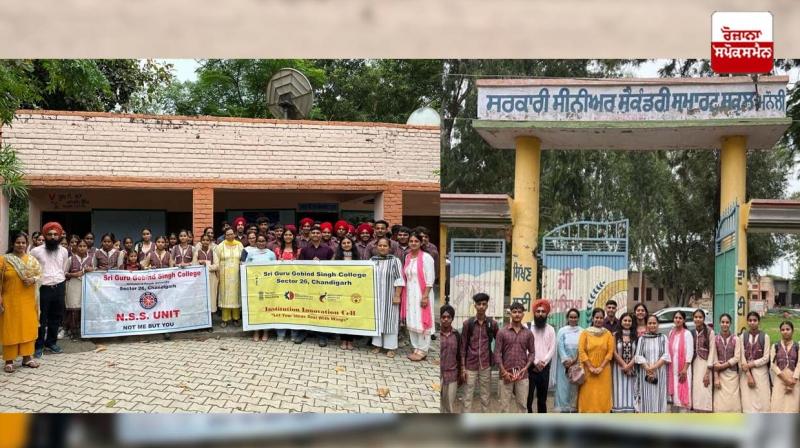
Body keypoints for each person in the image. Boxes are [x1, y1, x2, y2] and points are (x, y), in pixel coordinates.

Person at [1, 233, 43, 373]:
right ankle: (9, 360)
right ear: (12, 244)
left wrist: (33, 280)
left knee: (27, 328)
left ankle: (27, 358)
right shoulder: (4, 260)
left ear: (27, 244)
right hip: (10, 301)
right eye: (18, 242)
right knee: (10, 329)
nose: (21, 245)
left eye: (23, 243)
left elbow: (40, 276)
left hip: (28, 300)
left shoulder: (32, 260)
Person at [29, 222, 70, 358]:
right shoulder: (35, 251)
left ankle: (51, 343)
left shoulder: (64, 251)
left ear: (59, 236)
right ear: (45, 235)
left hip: (59, 285)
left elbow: (63, 268)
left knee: (56, 317)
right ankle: (38, 345)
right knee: (41, 317)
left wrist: (60, 280)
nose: (52, 237)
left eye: (55, 234)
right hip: (42, 288)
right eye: (49, 234)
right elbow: (32, 269)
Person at [461, 292, 498, 413]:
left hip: (486, 366)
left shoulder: (492, 324)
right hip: (470, 366)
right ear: (475, 306)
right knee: (467, 397)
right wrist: (463, 367)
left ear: (487, 306)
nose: (481, 306)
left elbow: (500, 342)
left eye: (484, 304)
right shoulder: (468, 324)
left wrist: (497, 358)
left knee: (485, 397)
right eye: (479, 304)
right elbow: (463, 347)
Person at [495, 301, 535, 413]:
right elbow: (497, 353)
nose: (517, 314)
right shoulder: (502, 332)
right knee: (504, 407)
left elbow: (532, 353)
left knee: (522, 406)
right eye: (514, 312)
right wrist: (503, 372)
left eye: (519, 312)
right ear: (510, 314)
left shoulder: (528, 333)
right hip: (505, 375)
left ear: (523, 314)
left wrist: (526, 368)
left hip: (522, 375)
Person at [402, 232, 435, 361]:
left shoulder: (426, 258)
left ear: (421, 243)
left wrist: (425, 296)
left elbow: (430, 279)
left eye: (416, 241)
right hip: (410, 294)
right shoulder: (408, 257)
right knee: (413, 319)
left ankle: (423, 350)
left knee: (423, 321)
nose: (413, 243)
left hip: (422, 293)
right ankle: (416, 347)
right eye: (411, 241)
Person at [369, 237, 404, 356]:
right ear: (376, 247)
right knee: (377, 320)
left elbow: (399, 279)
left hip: (390, 296)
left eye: (385, 246)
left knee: (390, 320)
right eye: (380, 245)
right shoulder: (372, 260)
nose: (382, 248)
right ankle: (377, 344)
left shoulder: (395, 260)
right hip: (376, 297)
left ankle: (391, 347)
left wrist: (397, 295)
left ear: (389, 247)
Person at [577, 307, 614, 413]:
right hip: (588, 371)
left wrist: (601, 367)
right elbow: (581, 350)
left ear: (604, 319)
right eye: (596, 317)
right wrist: (590, 367)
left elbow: (610, 352)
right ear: (592, 319)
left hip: (604, 370)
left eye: (601, 318)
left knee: (603, 395)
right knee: (588, 395)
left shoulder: (607, 334)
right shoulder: (585, 333)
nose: (599, 320)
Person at [243, 234, 277, 342]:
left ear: (266, 242)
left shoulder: (271, 254)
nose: (261, 243)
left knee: (266, 308)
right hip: (254, 286)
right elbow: (245, 267)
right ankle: (256, 331)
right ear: (256, 242)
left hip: (267, 285)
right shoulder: (251, 253)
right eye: (259, 241)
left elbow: (275, 269)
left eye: (263, 241)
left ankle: (266, 331)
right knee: (256, 308)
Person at [635, 314, 670, 413]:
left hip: (659, 371)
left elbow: (665, 355)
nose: (652, 325)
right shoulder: (642, 339)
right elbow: (639, 356)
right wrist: (647, 368)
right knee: (646, 397)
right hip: (645, 372)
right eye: (650, 323)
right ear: (646, 325)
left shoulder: (663, 338)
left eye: (654, 323)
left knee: (659, 397)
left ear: (658, 325)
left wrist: (653, 368)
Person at [527, 299, 555, 413]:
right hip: (529, 367)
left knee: (542, 400)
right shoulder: (527, 327)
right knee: (527, 399)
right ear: (534, 312)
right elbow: (525, 348)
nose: (540, 314)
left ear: (547, 313)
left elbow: (552, 348)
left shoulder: (551, 329)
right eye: (538, 311)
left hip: (544, 368)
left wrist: (543, 362)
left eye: (543, 311)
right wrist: (535, 361)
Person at [740, 311, 771, 413]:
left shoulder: (765, 337)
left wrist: (752, 364)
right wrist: (748, 374)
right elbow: (741, 356)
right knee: (747, 400)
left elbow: (766, 357)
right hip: (746, 373)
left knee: (763, 400)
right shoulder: (742, 337)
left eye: (755, 320)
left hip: (761, 372)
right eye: (750, 320)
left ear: (758, 322)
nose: (752, 322)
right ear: (747, 322)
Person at [213, 228, 244, 328]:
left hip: (236, 276)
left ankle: (236, 318)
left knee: (236, 296)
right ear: (225, 236)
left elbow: (243, 258)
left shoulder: (239, 245)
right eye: (227, 234)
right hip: (224, 276)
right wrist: (217, 274)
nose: (230, 236)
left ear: (234, 234)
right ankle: (225, 319)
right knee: (225, 297)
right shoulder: (220, 246)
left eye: (231, 234)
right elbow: (216, 260)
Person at [711, 313, 741, 412]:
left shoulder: (736, 339)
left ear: (730, 324)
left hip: (732, 375)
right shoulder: (715, 339)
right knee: (720, 404)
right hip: (720, 375)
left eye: (727, 322)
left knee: (733, 402)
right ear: (719, 323)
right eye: (723, 322)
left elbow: (737, 357)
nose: (725, 324)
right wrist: (716, 377)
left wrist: (723, 365)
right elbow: (714, 358)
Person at [554, 308, 583, 413]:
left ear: (578, 318)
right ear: (567, 318)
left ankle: (574, 410)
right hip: (564, 366)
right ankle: (564, 410)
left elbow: (582, 347)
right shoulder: (562, 331)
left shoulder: (582, 331)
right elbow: (560, 346)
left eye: (575, 317)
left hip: (577, 365)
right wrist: (566, 361)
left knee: (575, 388)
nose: (573, 319)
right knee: (563, 388)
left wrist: (575, 360)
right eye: (571, 317)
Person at [335, 235, 361, 350]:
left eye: (348, 243)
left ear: (352, 244)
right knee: (342, 315)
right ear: (340, 245)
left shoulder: (357, 258)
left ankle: (350, 341)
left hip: (353, 290)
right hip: (340, 289)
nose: (346, 245)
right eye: (344, 243)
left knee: (351, 316)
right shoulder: (336, 258)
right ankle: (343, 340)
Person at [64, 240, 92, 340]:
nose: (82, 248)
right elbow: (64, 273)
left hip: (86, 285)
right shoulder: (71, 259)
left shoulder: (90, 259)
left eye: (84, 246)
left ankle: (83, 331)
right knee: (73, 308)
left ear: (87, 248)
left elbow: (95, 271)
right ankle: (73, 331)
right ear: (76, 247)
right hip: (73, 285)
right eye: (80, 246)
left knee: (84, 308)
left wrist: (91, 270)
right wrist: (73, 274)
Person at [770, 320, 800, 412]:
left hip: (794, 381)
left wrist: (792, 381)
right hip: (779, 379)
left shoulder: (797, 346)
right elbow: (772, 364)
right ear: (780, 331)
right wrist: (785, 380)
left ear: (792, 331)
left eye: (788, 329)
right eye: (783, 330)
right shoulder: (775, 345)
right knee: (777, 406)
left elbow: (799, 363)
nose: (785, 331)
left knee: (792, 408)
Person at [667, 310, 693, 412]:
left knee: (682, 401)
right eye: (676, 318)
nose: (677, 320)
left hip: (683, 369)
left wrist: (684, 369)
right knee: (674, 398)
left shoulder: (687, 334)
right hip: (672, 369)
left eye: (680, 318)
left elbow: (690, 353)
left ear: (684, 320)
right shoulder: (671, 333)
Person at [612, 312, 638, 413]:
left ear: (632, 323)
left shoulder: (635, 336)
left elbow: (637, 353)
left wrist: (629, 366)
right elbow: (614, 352)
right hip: (618, 369)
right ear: (621, 322)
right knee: (619, 391)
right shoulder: (615, 335)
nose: (627, 322)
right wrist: (624, 365)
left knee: (630, 391)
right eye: (625, 320)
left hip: (632, 368)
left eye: (629, 321)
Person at [691, 309, 714, 412]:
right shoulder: (691, 332)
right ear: (693, 319)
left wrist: (707, 372)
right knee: (696, 391)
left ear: (704, 319)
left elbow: (712, 351)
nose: (698, 319)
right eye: (696, 317)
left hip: (706, 365)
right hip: (694, 364)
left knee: (705, 390)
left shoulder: (710, 332)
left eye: (700, 317)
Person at [439, 304, 460, 413]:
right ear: (440, 318)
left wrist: (460, 374)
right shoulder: (436, 335)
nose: (446, 319)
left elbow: (460, 356)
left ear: (452, 319)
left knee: (449, 407)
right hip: (438, 376)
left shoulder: (456, 335)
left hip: (452, 375)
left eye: (448, 317)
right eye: (443, 317)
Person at [193, 233, 218, 318]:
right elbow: (194, 266)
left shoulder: (213, 253)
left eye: (207, 240)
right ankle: (202, 321)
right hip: (200, 279)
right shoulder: (197, 252)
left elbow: (216, 266)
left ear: (210, 242)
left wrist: (205, 263)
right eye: (203, 240)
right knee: (201, 298)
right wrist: (202, 265)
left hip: (211, 278)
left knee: (211, 299)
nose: (205, 242)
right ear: (201, 241)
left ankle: (210, 322)